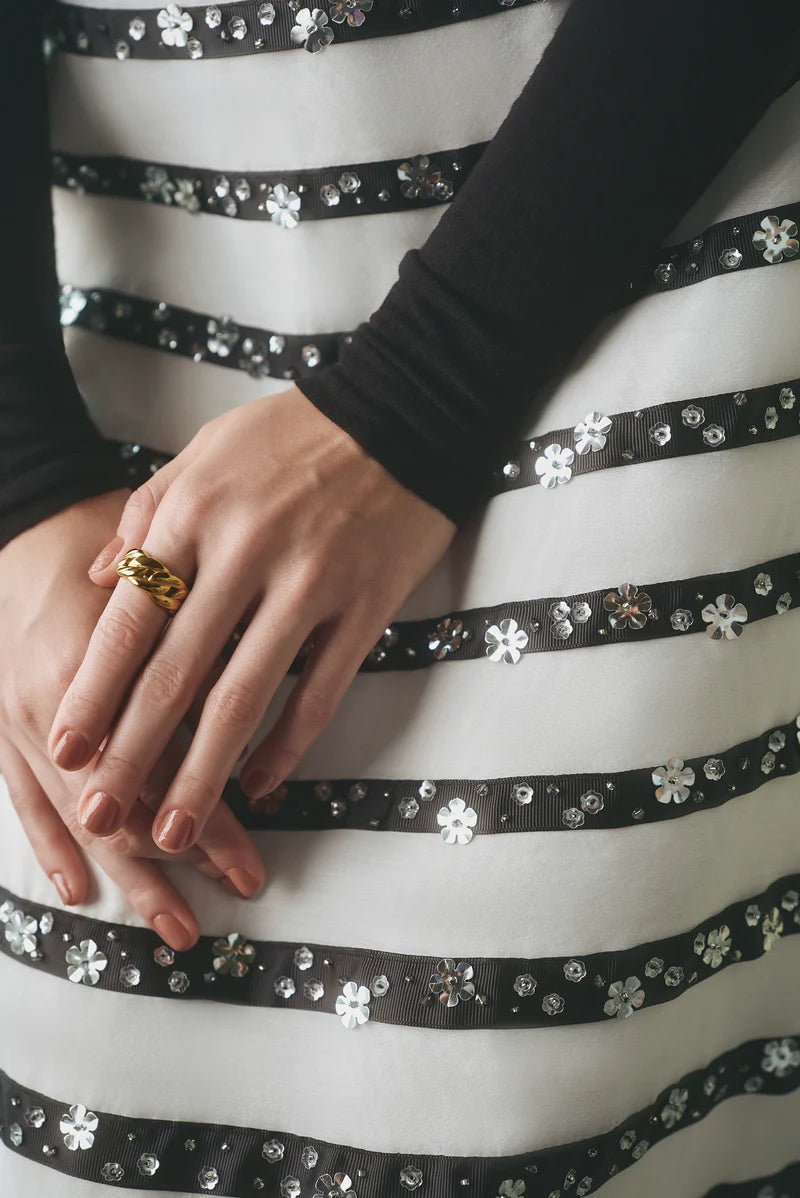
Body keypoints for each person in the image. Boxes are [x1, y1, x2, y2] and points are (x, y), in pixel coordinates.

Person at [1, 0, 799, 1194]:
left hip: (633, 249)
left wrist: (415, 399)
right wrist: (22, 483)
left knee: (497, 1084)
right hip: (116, 355)